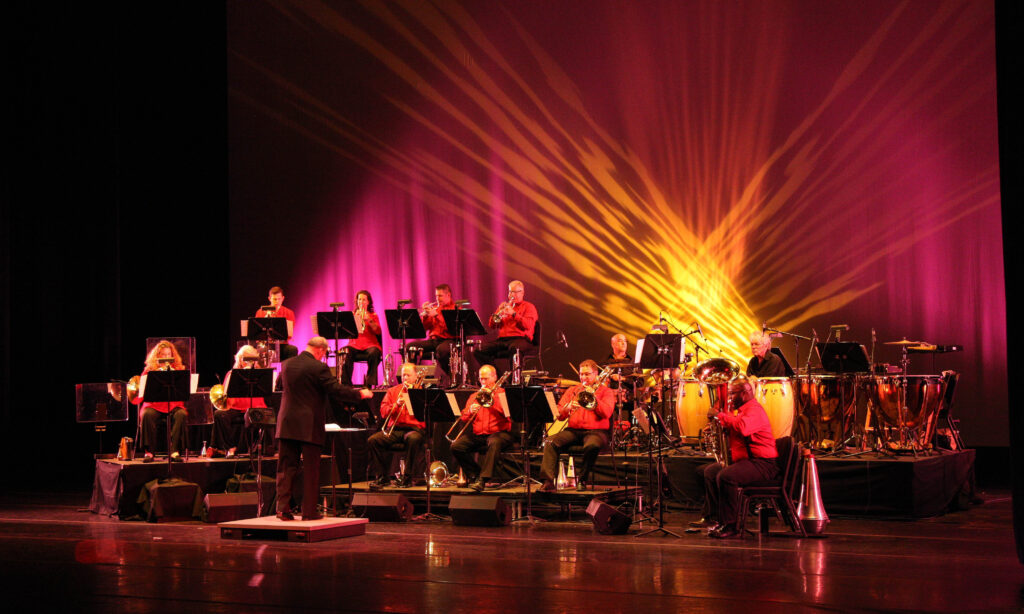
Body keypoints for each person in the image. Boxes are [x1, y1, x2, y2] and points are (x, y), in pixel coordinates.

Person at [275, 337, 372, 521]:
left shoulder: (286, 365)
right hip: (309, 424)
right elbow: (335, 390)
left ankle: (282, 509)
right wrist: (359, 393)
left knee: (286, 468)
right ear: (321, 350)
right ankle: (309, 511)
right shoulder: (318, 368)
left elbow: (281, 387)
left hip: (287, 422)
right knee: (312, 469)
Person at [693, 375, 779, 539]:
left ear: (745, 393)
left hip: (763, 464)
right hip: (747, 461)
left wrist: (720, 416)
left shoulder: (754, 409)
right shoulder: (740, 411)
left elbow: (743, 427)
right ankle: (715, 519)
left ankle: (731, 525)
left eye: (732, 394)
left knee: (726, 476)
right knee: (710, 472)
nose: (730, 398)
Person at [540, 360, 614, 491]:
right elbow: (559, 416)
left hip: (597, 431)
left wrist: (594, 400)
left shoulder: (606, 392)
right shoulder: (572, 391)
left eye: (587, 374)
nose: (584, 378)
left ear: (596, 374)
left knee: (592, 445)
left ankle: (582, 480)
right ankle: (548, 481)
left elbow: (607, 413)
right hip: (574, 431)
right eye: (581, 374)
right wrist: (566, 409)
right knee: (550, 442)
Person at [450, 365, 514, 492]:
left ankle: (483, 480)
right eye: (481, 379)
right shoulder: (475, 396)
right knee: (456, 446)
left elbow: (508, 414)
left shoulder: (502, 394)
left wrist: (492, 399)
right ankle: (475, 474)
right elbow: (463, 418)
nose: (483, 382)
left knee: (494, 441)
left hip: (499, 433)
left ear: (494, 377)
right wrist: (469, 411)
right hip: (480, 435)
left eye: (486, 379)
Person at [366, 363, 426, 488]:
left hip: (414, 429)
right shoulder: (393, 391)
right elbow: (383, 412)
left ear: (415, 376)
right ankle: (383, 477)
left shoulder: (421, 392)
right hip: (396, 429)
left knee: (413, 438)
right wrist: (396, 405)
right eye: (403, 375)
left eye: (408, 375)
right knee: (373, 440)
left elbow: (425, 413)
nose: (405, 378)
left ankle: (407, 478)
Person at [132, 340, 188, 462]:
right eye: (163, 355)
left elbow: (183, 391)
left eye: (169, 354)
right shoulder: (149, 370)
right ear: (157, 356)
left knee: (181, 414)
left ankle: (174, 451)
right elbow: (141, 392)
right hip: (153, 405)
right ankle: (149, 452)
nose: (167, 357)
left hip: (173, 405)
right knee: (147, 414)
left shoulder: (178, 369)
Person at [209, 345, 265, 458]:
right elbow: (225, 394)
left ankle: (256, 449)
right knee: (219, 414)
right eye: (243, 358)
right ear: (239, 359)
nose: (245, 362)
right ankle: (230, 447)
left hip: (254, 406)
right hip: (235, 407)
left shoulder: (260, 373)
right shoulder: (232, 373)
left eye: (249, 359)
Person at [474, 280, 538, 376]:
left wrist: (513, 314)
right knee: (479, 350)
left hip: (521, 339)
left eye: (516, 292)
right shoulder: (504, 306)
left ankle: (515, 381)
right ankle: (500, 379)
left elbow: (528, 325)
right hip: (503, 340)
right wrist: (498, 314)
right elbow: (492, 325)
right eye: (511, 291)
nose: (513, 294)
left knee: (515, 348)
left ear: (523, 293)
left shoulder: (529, 307)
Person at [405, 283, 458, 383]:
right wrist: (425, 316)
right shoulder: (435, 308)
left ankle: (447, 379)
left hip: (450, 340)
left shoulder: (455, 309)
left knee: (442, 350)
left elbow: (451, 328)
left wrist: (436, 316)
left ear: (448, 295)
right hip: (434, 340)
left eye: (440, 296)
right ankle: (413, 380)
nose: (438, 299)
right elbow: (424, 328)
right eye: (436, 296)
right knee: (409, 347)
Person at [341, 290, 383, 388]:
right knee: (345, 352)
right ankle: (346, 384)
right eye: (359, 299)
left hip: (370, 344)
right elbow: (348, 332)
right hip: (354, 344)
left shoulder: (373, 315)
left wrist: (369, 319)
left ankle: (369, 384)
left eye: (364, 300)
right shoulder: (352, 315)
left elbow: (378, 331)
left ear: (368, 302)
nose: (361, 302)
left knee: (374, 353)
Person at [254, 286, 298, 362]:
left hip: (282, 345)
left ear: (283, 298)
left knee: (292, 350)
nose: (277, 301)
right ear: (269, 298)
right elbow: (257, 333)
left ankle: (288, 372)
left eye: (279, 299)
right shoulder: (260, 312)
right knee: (259, 350)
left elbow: (289, 334)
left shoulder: (289, 313)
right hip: (265, 345)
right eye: (274, 299)